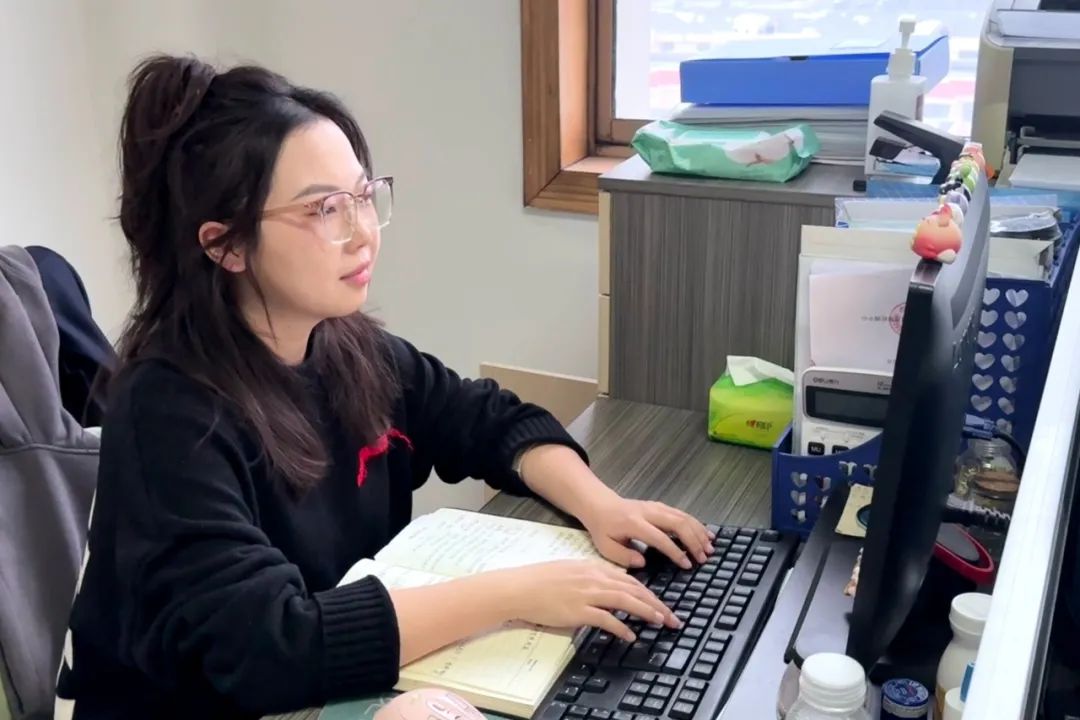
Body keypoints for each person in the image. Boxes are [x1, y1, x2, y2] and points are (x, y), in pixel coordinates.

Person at [54, 54, 715, 720]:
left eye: (363, 197)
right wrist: (515, 594)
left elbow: (488, 419)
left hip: (319, 688)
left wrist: (603, 507)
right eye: (324, 209)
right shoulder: (167, 412)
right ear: (226, 245)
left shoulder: (347, 346)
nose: (363, 233)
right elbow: (269, 645)